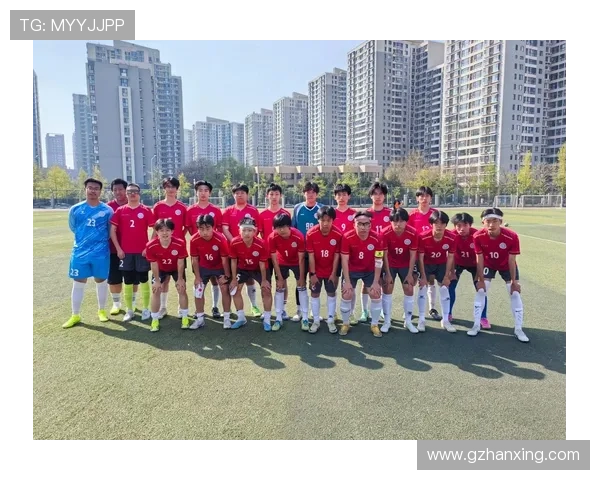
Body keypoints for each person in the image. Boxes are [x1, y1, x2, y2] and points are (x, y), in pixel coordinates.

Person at [468, 208, 529, 342]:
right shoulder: (477, 236)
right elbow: (479, 258)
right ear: (483, 222)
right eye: (488, 221)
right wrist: (480, 279)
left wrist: (514, 282)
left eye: (495, 221)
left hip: (506, 265)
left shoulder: (512, 236)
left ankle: (518, 329)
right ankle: (476, 325)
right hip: (488, 264)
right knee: (481, 290)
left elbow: (512, 260)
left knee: (514, 293)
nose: (491, 224)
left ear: (501, 221)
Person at [62, 178, 114, 328]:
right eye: (90, 188)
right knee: (78, 282)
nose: (93, 191)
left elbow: (110, 231)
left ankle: (101, 311)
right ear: (85, 189)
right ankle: (75, 315)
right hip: (80, 253)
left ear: (100, 191)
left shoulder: (107, 210)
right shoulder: (75, 209)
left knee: (101, 281)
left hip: (101, 253)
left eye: (96, 188)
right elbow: (73, 227)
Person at [109, 183, 155, 322]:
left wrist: (148, 247)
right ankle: (129, 310)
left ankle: (146, 309)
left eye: (135, 191)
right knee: (128, 281)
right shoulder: (120, 211)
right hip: (125, 253)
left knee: (144, 280)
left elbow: (155, 229)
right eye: (129, 192)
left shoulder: (146, 210)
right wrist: (118, 249)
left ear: (139, 193)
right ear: (126, 194)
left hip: (142, 253)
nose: (132, 194)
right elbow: (112, 231)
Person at [339, 210, 384, 337]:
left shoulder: (377, 238)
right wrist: (347, 282)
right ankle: (345, 323)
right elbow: (344, 260)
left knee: (375, 293)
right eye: (359, 224)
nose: (363, 227)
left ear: (370, 225)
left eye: (366, 224)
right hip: (351, 270)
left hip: (369, 270)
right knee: (347, 293)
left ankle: (374, 325)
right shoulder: (347, 237)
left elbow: (378, 260)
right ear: (354, 224)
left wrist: (376, 282)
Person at [222, 183, 262, 318]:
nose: (239, 195)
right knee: (232, 279)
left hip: (249, 250)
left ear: (247, 195)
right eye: (237, 193)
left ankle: (254, 305)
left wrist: (246, 243)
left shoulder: (253, 210)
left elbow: (256, 229)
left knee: (249, 279)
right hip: (233, 250)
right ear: (233, 195)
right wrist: (236, 242)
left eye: (242, 193)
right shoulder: (228, 211)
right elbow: (225, 229)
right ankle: (232, 308)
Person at [186, 180, 225, 319]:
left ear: (210, 193)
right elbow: (189, 229)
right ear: (196, 192)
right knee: (199, 280)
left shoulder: (216, 210)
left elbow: (219, 229)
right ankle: (199, 310)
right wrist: (199, 241)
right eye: (200, 190)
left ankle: (215, 307)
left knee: (216, 280)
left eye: (206, 190)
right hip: (199, 250)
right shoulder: (190, 210)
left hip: (214, 250)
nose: (203, 193)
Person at [152, 177, 188, 319]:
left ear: (177, 189)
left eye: (173, 186)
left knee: (180, 280)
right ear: (164, 188)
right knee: (163, 280)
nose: (171, 189)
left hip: (178, 250)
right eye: (168, 186)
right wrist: (151, 243)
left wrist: (180, 238)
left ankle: (181, 308)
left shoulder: (182, 207)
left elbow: (186, 226)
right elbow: (155, 228)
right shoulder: (158, 206)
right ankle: (163, 307)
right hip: (161, 249)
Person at [145, 219, 189, 332]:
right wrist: (157, 281)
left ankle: (185, 317)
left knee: (182, 289)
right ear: (156, 232)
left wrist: (180, 279)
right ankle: (154, 320)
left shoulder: (180, 243)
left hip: (176, 268)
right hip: (160, 269)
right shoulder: (151, 245)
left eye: (167, 230)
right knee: (156, 290)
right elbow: (154, 264)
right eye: (161, 230)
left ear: (172, 231)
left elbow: (180, 262)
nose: (164, 233)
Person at [189, 214, 232, 329]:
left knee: (224, 288)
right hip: (204, 267)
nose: (205, 232)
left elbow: (224, 259)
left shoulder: (220, 239)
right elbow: (194, 259)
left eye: (208, 228)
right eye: (201, 229)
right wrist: (197, 277)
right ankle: (200, 319)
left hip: (219, 267)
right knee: (198, 289)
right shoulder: (194, 239)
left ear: (213, 227)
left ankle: (227, 318)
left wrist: (226, 276)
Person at [380, 208, 420, 334]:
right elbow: (384, 255)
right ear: (390, 221)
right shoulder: (384, 233)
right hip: (390, 264)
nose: (398, 224)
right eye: (395, 221)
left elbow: (413, 255)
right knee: (387, 288)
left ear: (406, 221)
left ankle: (408, 321)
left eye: (401, 221)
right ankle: (387, 321)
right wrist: (387, 273)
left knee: (409, 288)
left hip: (406, 264)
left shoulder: (413, 233)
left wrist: (410, 274)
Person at [228, 218, 271, 330]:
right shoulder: (234, 242)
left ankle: (267, 319)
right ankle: (241, 318)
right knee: (235, 289)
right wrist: (233, 279)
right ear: (239, 231)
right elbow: (233, 261)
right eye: (244, 230)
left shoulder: (261, 244)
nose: (246, 233)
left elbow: (262, 263)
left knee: (266, 290)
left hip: (258, 269)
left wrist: (264, 280)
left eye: (250, 230)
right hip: (243, 268)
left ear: (255, 231)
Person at [417, 210, 456, 333]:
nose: (439, 226)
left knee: (444, 288)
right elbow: (420, 258)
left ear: (446, 224)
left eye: (442, 223)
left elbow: (450, 257)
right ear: (431, 224)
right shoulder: (423, 237)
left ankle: (445, 320)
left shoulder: (451, 237)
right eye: (436, 223)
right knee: (423, 287)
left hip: (441, 264)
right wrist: (423, 276)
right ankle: (421, 319)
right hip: (426, 264)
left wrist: (447, 275)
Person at [306, 206, 342, 334]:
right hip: (316, 270)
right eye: (323, 220)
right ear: (318, 220)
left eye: (329, 220)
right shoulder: (311, 234)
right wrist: (313, 274)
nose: (325, 223)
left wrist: (333, 273)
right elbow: (311, 255)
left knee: (331, 293)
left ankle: (330, 320)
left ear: (333, 220)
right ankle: (316, 321)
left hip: (330, 270)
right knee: (315, 293)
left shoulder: (338, 234)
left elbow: (337, 255)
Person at [449, 213, 489, 328]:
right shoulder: (451, 235)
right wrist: (451, 272)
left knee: (481, 288)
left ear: (470, 225)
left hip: (475, 264)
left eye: (465, 225)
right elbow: (450, 255)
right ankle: (448, 313)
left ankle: (483, 317)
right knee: (450, 286)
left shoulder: (477, 235)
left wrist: (479, 274)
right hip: (457, 263)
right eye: (458, 225)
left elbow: (481, 256)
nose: (461, 229)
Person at [291, 181, 324, 322]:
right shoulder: (298, 208)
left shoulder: (322, 208)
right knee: (300, 281)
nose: (310, 195)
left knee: (315, 281)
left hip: (316, 253)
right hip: (301, 252)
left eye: (313, 192)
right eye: (307, 192)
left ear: (317, 194)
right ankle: (299, 310)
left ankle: (313, 311)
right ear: (303, 193)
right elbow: (293, 229)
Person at [408, 185, 441, 321]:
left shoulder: (435, 214)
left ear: (431, 198)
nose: (424, 198)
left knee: (430, 280)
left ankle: (432, 308)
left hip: (431, 254)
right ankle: (409, 310)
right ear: (417, 198)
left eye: (427, 196)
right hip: (416, 254)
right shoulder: (412, 215)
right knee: (413, 280)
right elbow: (408, 234)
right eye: (421, 196)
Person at [258, 183, 291, 321]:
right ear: (267, 196)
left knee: (282, 281)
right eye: (271, 194)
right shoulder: (262, 215)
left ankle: (282, 309)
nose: (274, 197)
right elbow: (261, 234)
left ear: (281, 196)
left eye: (277, 194)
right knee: (266, 282)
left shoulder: (286, 214)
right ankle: (266, 309)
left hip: (281, 255)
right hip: (266, 255)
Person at [269, 214, 307, 332]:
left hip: (296, 262)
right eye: (278, 227)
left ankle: (305, 318)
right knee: (279, 287)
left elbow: (301, 259)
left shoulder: (298, 236)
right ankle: (278, 318)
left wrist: (301, 277)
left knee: (301, 286)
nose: (281, 230)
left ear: (289, 226)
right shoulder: (272, 237)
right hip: (281, 262)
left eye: (284, 226)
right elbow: (274, 259)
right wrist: (279, 277)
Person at [107, 178, 139, 315]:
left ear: (126, 191)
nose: (118, 192)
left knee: (133, 279)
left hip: (133, 250)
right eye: (115, 190)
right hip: (113, 249)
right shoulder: (108, 208)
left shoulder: (135, 205)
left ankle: (132, 303)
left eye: (120, 189)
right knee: (114, 278)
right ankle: (116, 304)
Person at [364, 181, 392, 323]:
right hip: (369, 254)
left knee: (383, 282)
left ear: (385, 196)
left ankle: (381, 309)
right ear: (371, 196)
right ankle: (364, 310)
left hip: (386, 254)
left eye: (381, 194)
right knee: (366, 283)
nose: (378, 196)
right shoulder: (366, 214)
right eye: (375, 193)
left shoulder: (391, 213)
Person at [332, 183, 357, 324]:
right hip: (334, 254)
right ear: (335, 197)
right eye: (339, 195)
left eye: (344, 194)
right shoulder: (331, 214)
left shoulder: (354, 214)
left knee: (350, 285)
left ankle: (351, 313)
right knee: (334, 283)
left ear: (349, 196)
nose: (341, 198)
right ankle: (333, 312)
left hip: (351, 255)